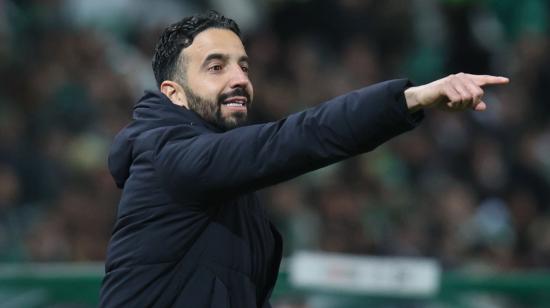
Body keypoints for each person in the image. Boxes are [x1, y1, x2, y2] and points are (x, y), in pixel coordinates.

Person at [99, 11, 509, 308]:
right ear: (173, 93)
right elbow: (300, 136)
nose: (240, 78)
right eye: (216, 67)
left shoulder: (218, 178)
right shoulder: (167, 156)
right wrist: (411, 98)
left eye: (243, 66)